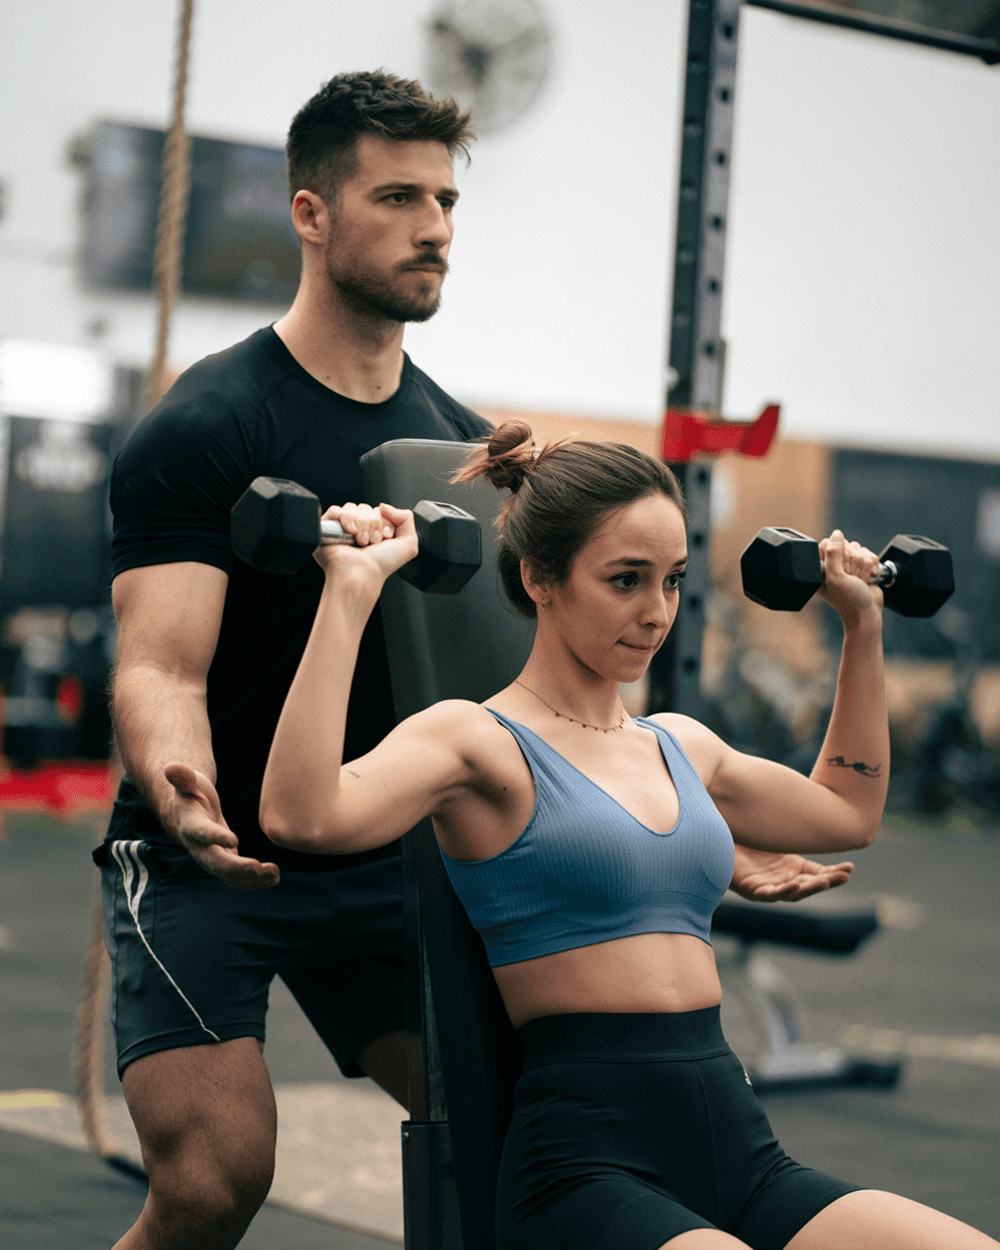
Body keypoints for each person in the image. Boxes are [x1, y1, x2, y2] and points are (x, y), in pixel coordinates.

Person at [256, 420, 1000, 1250]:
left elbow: (845, 813)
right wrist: (351, 591)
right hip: (585, 1171)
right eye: (625, 581)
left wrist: (862, 628)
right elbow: (302, 815)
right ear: (540, 578)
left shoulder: (681, 744)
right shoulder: (476, 742)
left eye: (673, 582)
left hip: (744, 1154)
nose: (656, 614)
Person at [95, 71, 489, 1250]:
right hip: (212, 860)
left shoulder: (458, 451)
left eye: (447, 201)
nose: (434, 228)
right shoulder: (209, 423)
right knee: (215, 1176)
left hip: (381, 857)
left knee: (508, 1121)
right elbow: (160, 668)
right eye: (399, 196)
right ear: (310, 213)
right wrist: (184, 789)